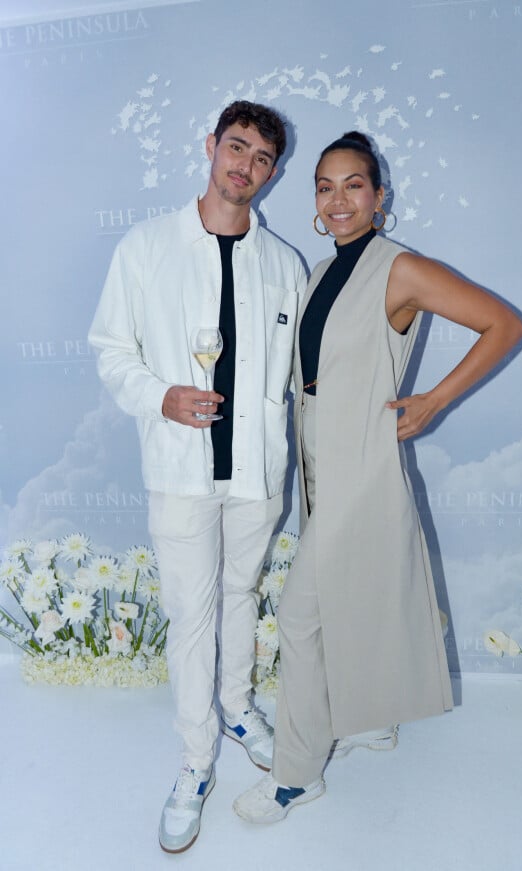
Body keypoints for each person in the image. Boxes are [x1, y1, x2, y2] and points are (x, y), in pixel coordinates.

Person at [234, 131, 522, 823]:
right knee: (351, 595)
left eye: (353, 185)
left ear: (379, 196)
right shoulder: (322, 269)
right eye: (325, 186)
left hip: (360, 467)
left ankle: (297, 774)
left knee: (302, 614)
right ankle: (371, 718)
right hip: (317, 468)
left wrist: (435, 399)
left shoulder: (399, 268)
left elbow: (503, 324)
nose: (338, 199)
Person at [88, 101, 306, 852]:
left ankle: (239, 707)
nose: (244, 167)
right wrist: (162, 397)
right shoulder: (146, 247)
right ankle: (195, 758)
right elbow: (112, 348)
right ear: (211, 146)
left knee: (241, 592)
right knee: (192, 612)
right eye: (236, 148)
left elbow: (300, 376)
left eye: (262, 159)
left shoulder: (284, 266)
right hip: (179, 471)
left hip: (254, 472)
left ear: (271, 173)